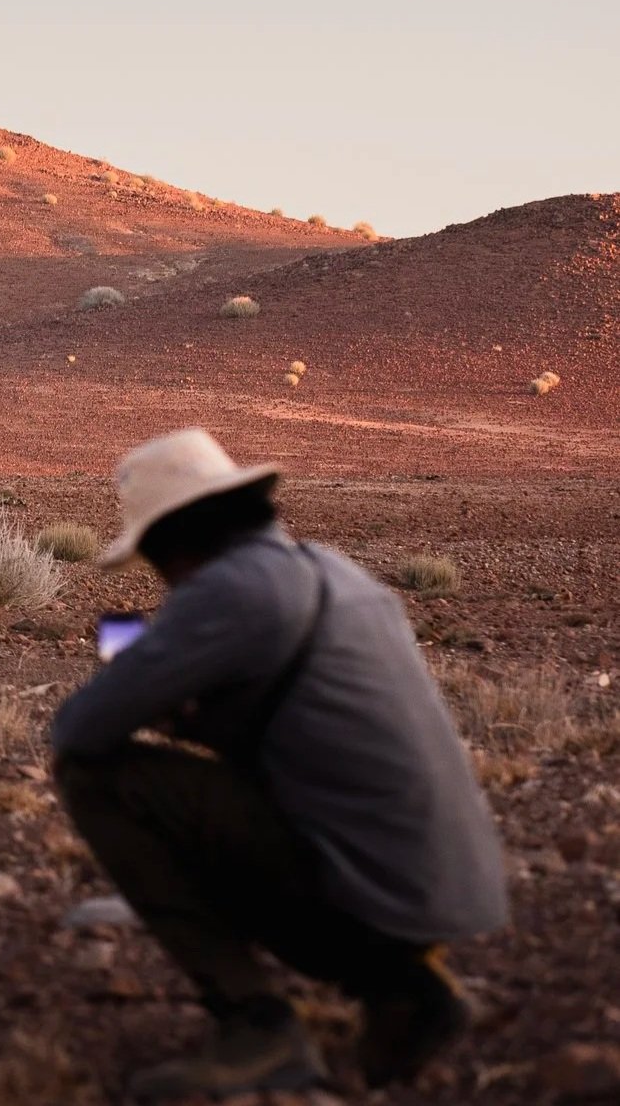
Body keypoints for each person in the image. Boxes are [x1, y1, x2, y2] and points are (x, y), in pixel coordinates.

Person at [53, 429, 505, 1098]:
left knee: (97, 780)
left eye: (153, 559)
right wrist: (206, 716)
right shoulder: (334, 572)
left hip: (366, 897)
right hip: (437, 887)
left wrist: (158, 688)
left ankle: (256, 1027)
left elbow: (79, 729)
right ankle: (406, 989)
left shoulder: (232, 590)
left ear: (173, 541)